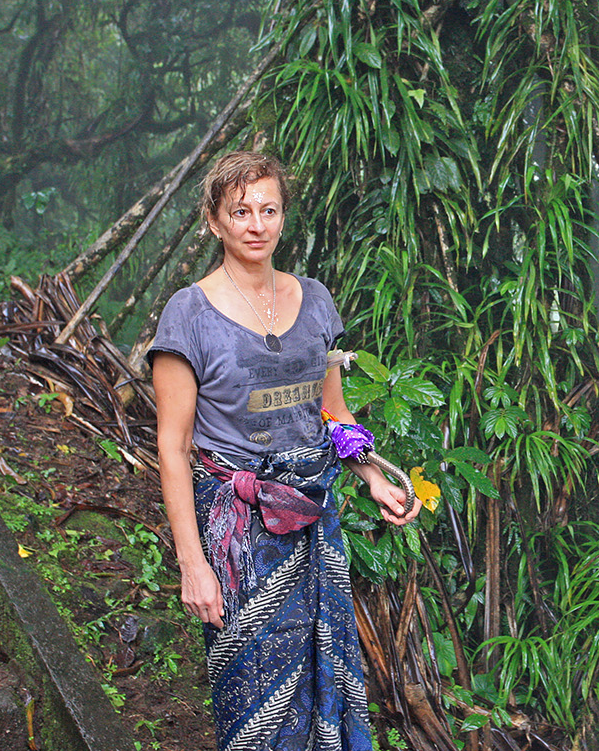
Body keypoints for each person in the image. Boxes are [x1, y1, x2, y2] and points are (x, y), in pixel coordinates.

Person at [149, 151, 420, 751]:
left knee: (325, 686)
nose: (256, 224)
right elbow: (172, 451)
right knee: (255, 699)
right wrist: (194, 565)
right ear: (214, 221)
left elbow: (332, 412)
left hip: (314, 520)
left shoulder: (316, 300)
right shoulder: (187, 316)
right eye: (240, 211)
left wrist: (372, 474)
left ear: (283, 217)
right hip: (240, 533)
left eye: (268, 209)